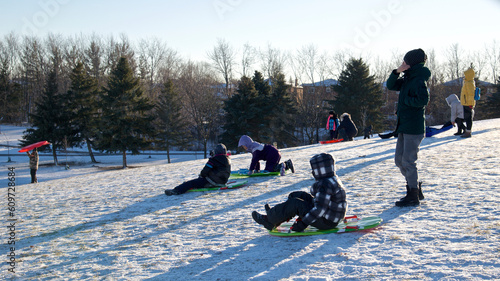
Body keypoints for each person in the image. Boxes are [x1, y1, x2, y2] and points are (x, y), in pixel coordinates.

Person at [252, 153, 347, 232]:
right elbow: (320, 199)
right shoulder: (331, 179)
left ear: (319, 170)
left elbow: (319, 209)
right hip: (328, 216)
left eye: (314, 169)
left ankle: (269, 220)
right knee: (296, 195)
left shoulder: (325, 185)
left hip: (326, 221)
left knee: (295, 203)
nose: (312, 172)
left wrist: (303, 223)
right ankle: (276, 216)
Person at [386, 48, 429, 207]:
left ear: (412, 63)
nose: (403, 64)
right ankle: (414, 188)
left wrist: (406, 103)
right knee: (399, 160)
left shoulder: (419, 79)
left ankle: (413, 195)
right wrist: (397, 71)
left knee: (408, 161)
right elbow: (390, 85)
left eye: (405, 62)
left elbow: (423, 100)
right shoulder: (408, 78)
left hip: (414, 127)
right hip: (404, 126)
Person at [165, 143, 231, 196]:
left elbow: (205, 171)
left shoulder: (213, 160)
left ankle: (176, 191)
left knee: (191, 183)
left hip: (212, 181)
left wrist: (201, 177)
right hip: (223, 181)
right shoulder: (228, 160)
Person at [460, 66, 476, 138]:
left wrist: (470, 104)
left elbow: (471, 94)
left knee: (468, 118)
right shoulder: (467, 82)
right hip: (466, 103)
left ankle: (468, 132)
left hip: (468, 103)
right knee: (467, 118)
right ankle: (467, 131)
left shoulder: (469, 83)